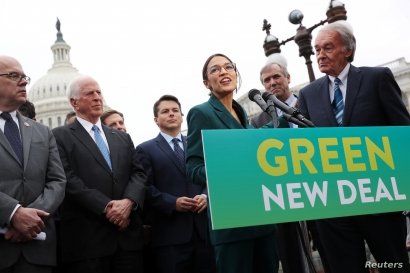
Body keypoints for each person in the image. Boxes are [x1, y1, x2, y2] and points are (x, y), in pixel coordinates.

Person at [298, 22, 410, 273]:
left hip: (379, 199)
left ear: (348, 50)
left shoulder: (377, 78)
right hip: (334, 206)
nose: (320, 55)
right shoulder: (308, 94)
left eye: (328, 47)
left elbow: (403, 132)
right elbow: (303, 148)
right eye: (316, 50)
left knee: (393, 265)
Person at [186, 53, 278, 273]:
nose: (224, 71)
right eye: (215, 69)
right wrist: (226, 171)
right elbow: (193, 167)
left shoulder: (242, 112)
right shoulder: (201, 113)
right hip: (233, 224)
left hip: (261, 217)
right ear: (206, 83)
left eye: (228, 67)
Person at [52, 75, 147, 273]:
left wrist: (128, 202)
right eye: (89, 93)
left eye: (99, 92)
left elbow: (138, 173)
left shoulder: (122, 137)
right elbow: (68, 179)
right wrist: (107, 208)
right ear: (74, 103)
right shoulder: (60, 136)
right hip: (88, 242)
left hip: (128, 239)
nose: (97, 97)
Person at [0, 55, 66, 272]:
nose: (24, 82)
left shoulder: (42, 131)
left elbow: (57, 181)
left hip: (38, 249)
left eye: (24, 77)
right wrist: (13, 213)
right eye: (13, 76)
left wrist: (31, 218)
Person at [135, 95, 215, 273]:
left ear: (181, 115)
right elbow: (145, 188)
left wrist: (205, 196)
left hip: (204, 234)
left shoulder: (197, 145)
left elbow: (210, 176)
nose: (171, 114)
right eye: (165, 111)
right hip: (170, 237)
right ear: (156, 120)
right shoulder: (144, 149)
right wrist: (173, 203)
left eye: (175, 110)